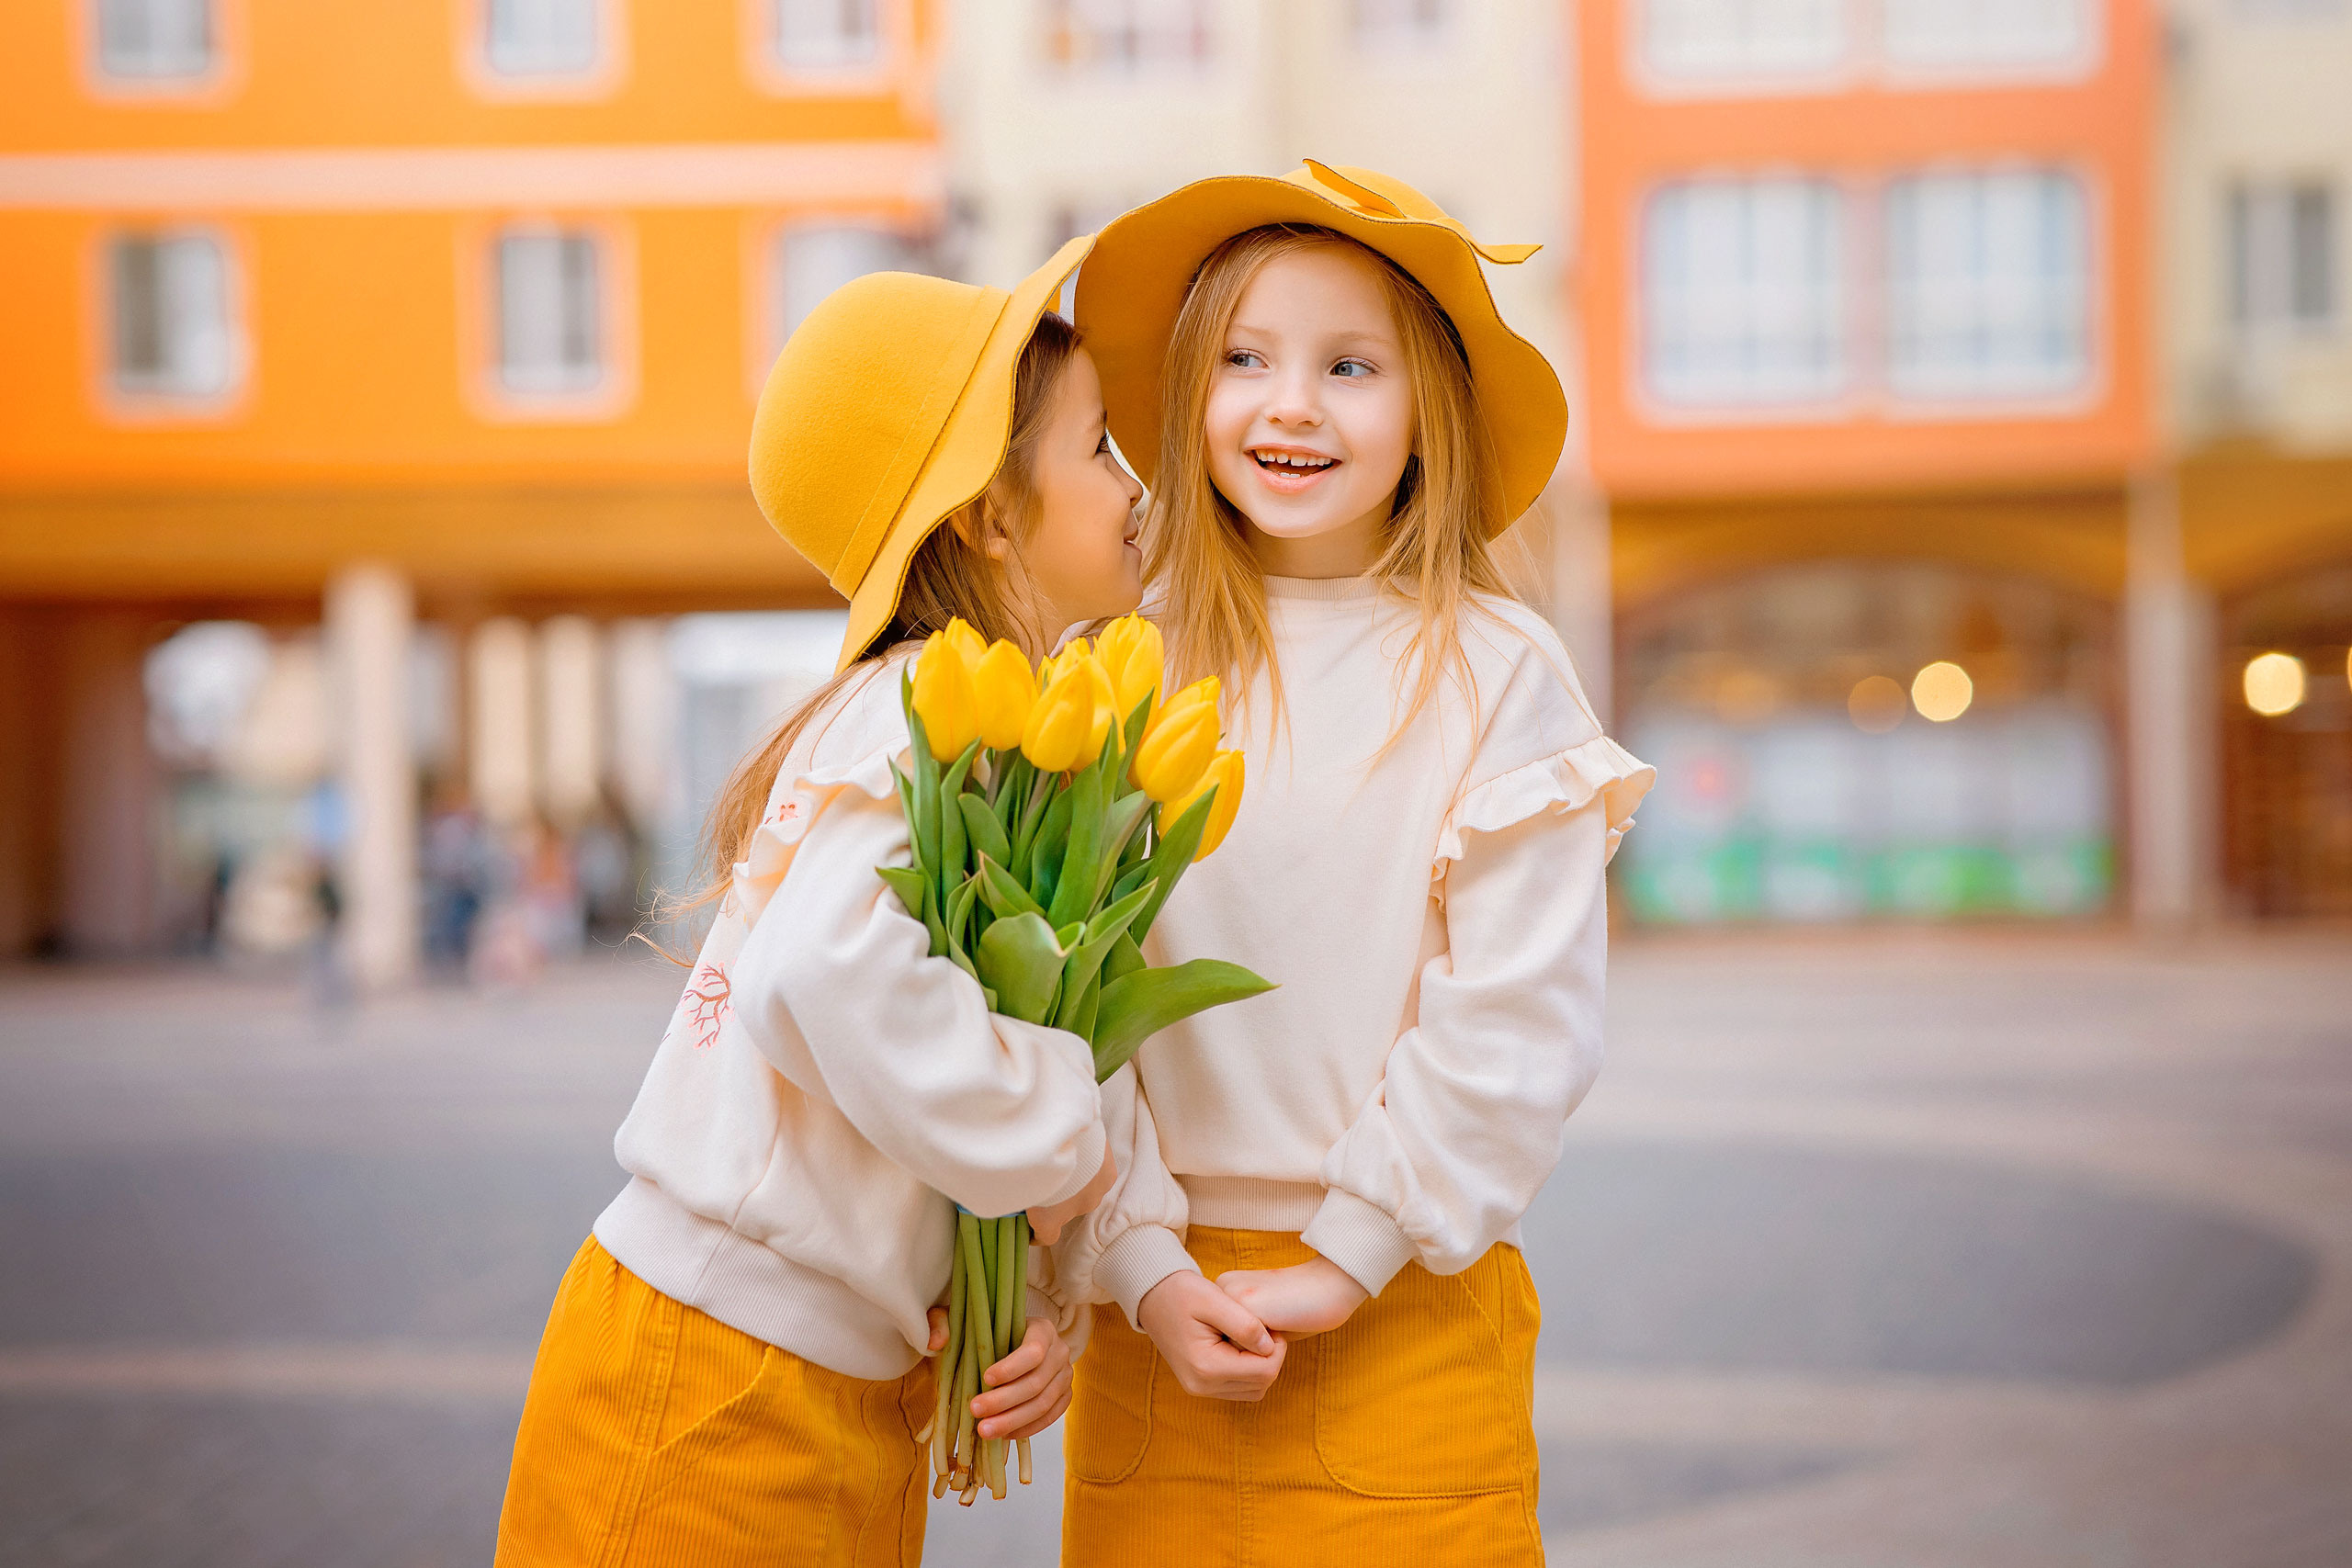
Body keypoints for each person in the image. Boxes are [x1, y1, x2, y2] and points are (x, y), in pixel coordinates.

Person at [495, 238, 1146, 1568]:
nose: (1137, 486)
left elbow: (914, 1078)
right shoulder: (924, 706)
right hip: (718, 1386)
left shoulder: (966, 722)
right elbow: (820, 977)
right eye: (1100, 449)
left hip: (810, 1383)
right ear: (992, 514)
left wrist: (1035, 1301)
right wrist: (1063, 1140)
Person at [1048, 165, 1657, 1564]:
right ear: (1188, 394)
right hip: (1157, 1313)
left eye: (1349, 365)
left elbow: (1516, 1016)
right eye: (1246, 360)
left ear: (1429, 407)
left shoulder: (1498, 672)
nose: (1293, 404)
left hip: (1405, 1312)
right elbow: (1069, 1011)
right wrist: (1137, 1263)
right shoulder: (1111, 667)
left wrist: (1348, 1257)